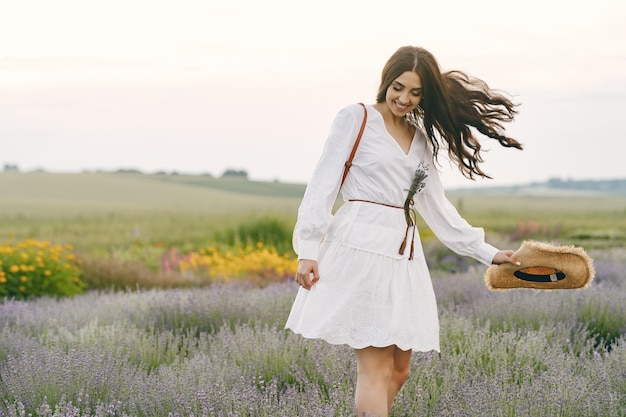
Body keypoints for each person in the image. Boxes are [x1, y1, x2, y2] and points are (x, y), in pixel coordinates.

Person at [285, 45, 522, 417]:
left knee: (399, 369)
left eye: (416, 93)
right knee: (376, 369)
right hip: (360, 246)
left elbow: (437, 208)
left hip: (403, 257)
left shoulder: (420, 139)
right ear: (385, 81)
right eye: (398, 87)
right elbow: (322, 184)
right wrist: (308, 249)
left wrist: (488, 253)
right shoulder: (356, 118)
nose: (405, 99)